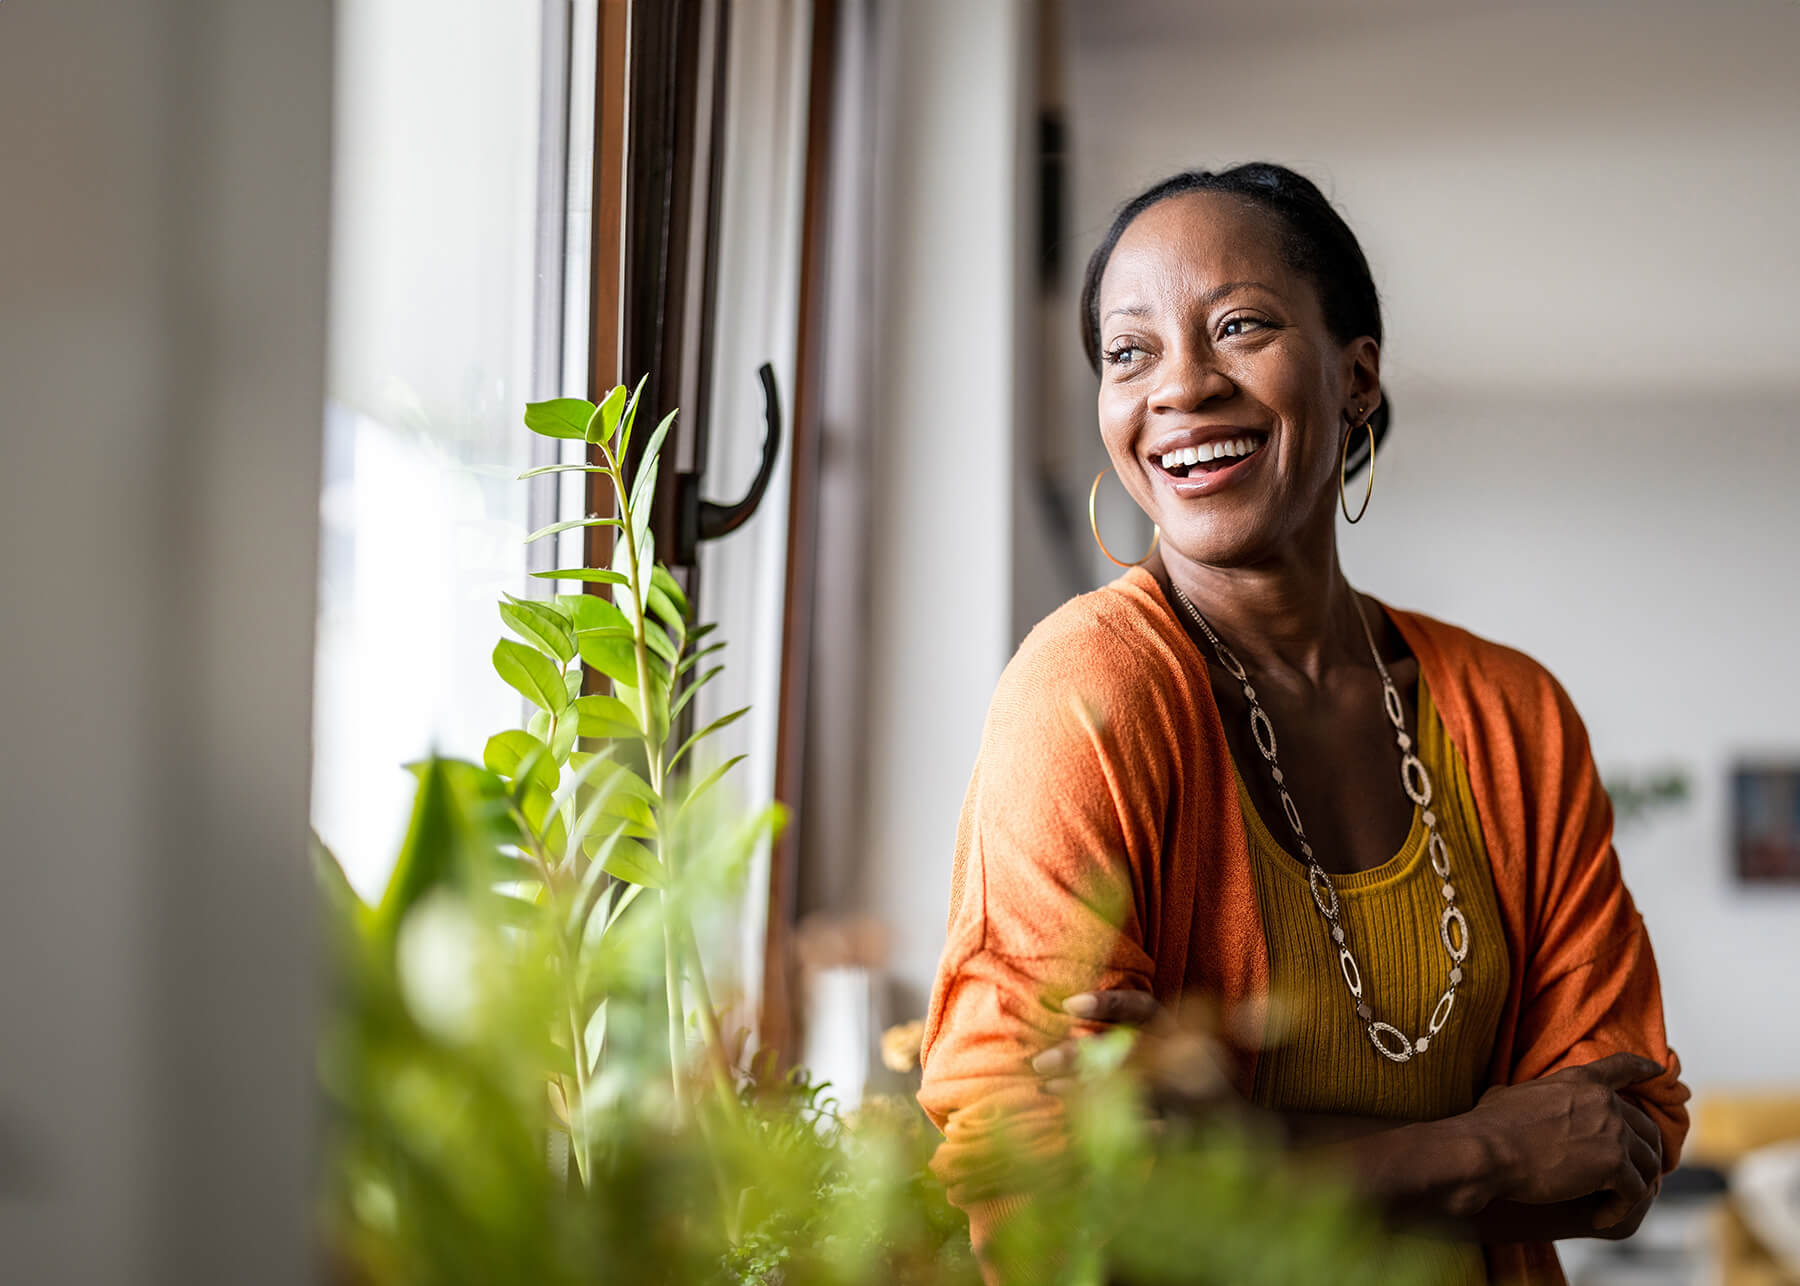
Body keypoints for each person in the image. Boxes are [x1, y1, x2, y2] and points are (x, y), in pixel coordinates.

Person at [915, 163, 1689, 1285]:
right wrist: (1481, 1147)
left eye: (1240, 327)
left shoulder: (1513, 712)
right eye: (1129, 351)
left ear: (1356, 375)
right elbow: (1040, 1195)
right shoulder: (1087, 690)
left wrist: (1236, 1149)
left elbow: (1615, 1141)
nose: (1180, 386)